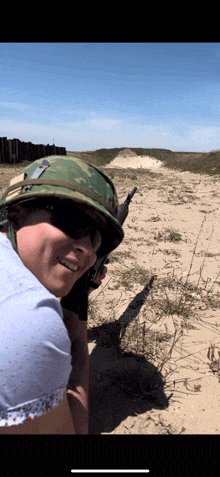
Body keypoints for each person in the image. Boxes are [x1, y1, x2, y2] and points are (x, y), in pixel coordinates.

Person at [0, 155, 124, 434]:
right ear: (17, 212)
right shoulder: (29, 318)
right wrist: (78, 335)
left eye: (95, 238)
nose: (87, 250)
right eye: (72, 221)